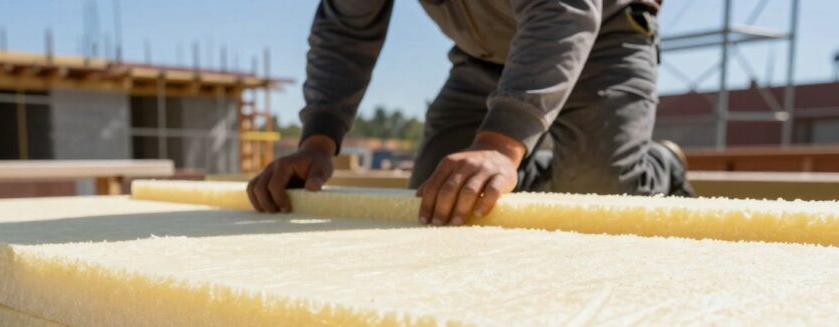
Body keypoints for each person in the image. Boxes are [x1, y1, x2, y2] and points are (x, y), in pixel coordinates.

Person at [246, 0, 694, 226]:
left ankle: (660, 165)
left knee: (597, 196)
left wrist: (499, 144)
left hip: (605, 37)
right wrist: (317, 142)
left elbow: (562, 10)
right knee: (437, 196)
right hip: (483, 58)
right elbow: (345, 30)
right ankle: (527, 168)